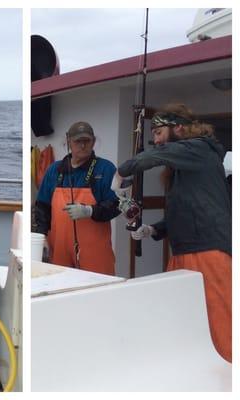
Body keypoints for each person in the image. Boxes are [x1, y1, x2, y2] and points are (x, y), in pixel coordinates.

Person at [115, 103, 232, 362]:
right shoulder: (183, 166)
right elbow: (187, 209)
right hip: (182, 253)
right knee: (183, 319)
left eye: (158, 132)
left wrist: (120, 173)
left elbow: (153, 157)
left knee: (220, 322)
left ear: (178, 128)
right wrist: (152, 229)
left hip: (209, 252)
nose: (155, 140)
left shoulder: (199, 148)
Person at [34, 121, 120, 275]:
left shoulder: (105, 169)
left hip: (94, 252)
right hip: (59, 249)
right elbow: (42, 206)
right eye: (78, 141)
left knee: (98, 291)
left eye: (86, 141)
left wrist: (90, 211)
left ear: (93, 142)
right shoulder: (54, 170)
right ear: (68, 142)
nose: (82, 146)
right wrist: (41, 236)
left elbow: (117, 204)